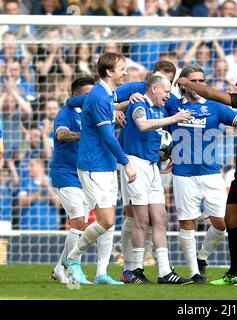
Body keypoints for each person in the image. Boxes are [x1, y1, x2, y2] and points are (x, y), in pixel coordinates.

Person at [176, 66, 237, 286]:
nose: (236, 83)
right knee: (231, 219)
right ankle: (234, 272)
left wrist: (187, 82)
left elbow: (211, 94)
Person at [63, 52, 137, 286]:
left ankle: (102, 273)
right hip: (93, 164)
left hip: (104, 164)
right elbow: (107, 136)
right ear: (109, 72)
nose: (125, 71)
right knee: (104, 220)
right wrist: (126, 163)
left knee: (109, 222)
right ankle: (72, 259)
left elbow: (76, 102)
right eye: (121, 68)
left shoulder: (105, 94)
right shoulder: (98, 97)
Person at [165, 66, 237, 284]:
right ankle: (195, 272)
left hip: (211, 173)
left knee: (221, 222)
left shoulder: (215, 106)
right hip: (183, 174)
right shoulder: (172, 105)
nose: (198, 84)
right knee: (187, 223)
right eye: (193, 80)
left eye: (202, 80)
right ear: (182, 83)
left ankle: (202, 257)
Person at [120, 74, 192, 285]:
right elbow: (142, 125)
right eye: (166, 91)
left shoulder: (160, 109)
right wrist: (174, 119)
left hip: (152, 167)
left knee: (160, 218)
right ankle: (135, 270)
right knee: (141, 219)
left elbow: (155, 135)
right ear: (153, 89)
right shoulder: (140, 104)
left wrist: (166, 154)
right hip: (136, 164)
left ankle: (164, 271)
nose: (168, 96)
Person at [50, 77, 114, 284]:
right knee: (78, 221)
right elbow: (62, 135)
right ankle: (68, 270)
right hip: (66, 174)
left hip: (84, 174)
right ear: (76, 96)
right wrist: (85, 134)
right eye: (87, 94)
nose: (91, 97)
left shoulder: (93, 112)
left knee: (84, 224)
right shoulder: (66, 113)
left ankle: (61, 267)